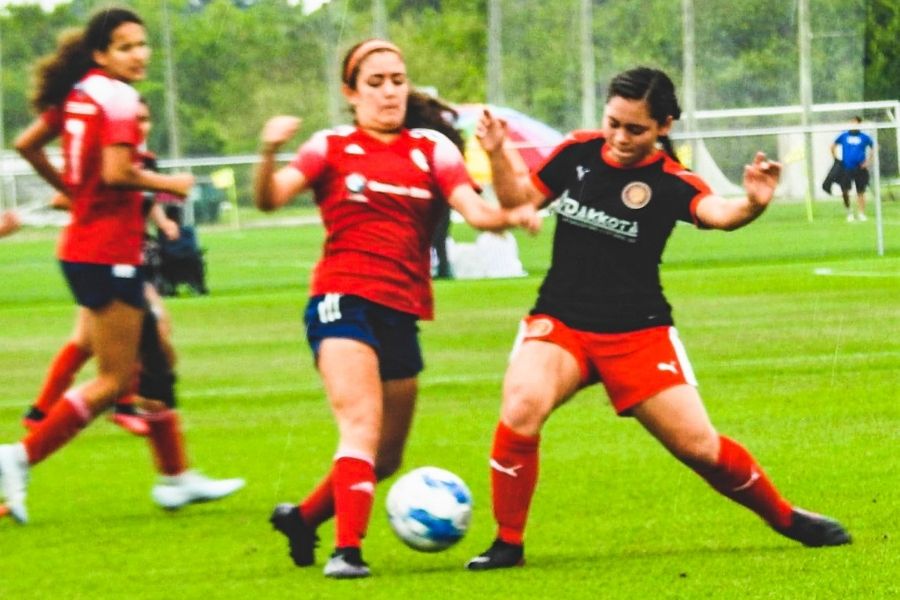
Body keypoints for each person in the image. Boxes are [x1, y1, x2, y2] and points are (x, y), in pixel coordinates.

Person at [465, 66, 851, 571]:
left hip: (638, 333)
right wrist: (496, 152)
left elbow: (718, 213)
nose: (620, 137)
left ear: (663, 127)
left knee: (700, 448)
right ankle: (507, 544)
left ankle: (784, 517)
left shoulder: (669, 181)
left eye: (635, 129)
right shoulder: (577, 153)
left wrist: (752, 205)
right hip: (561, 322)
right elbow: (517, 201)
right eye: (613, 123)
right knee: (521, 405)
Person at [254, 39, 540, 579]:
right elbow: (271, 197)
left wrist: (513, 216)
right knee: (360, 424)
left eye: (397, 80)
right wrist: (268, 153)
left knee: (386, 458)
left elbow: (477, 213)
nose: (389, 92)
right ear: (351, 92)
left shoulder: (432, 148)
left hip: (401, 309)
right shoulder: (330, 146)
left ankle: (303, 520)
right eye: (376, 82)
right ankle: (347, 552)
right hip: (341, 300)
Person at [1, 7, 244, 525]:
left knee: (156, 359)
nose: (140, 54)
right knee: (113, 380)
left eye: (142, 44)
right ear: (101, 54)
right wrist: (169, 184)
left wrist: (71, 189)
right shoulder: (118, 98)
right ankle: (17, 458)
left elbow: (27, 145)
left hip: (94, 249)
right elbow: (116, 172)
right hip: (105, 252)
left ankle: (176, 478)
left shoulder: (81, 94)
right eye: (126, 47)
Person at [22, 98, 179, 437]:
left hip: (123, 256)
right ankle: (124, 406)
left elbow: (142, 200)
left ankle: (40, 412)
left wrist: (162, 221)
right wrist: (86, 206)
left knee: (85, 341)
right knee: (155, 331)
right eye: (137, 118)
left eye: (147, 118)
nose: (143, 124)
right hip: (103, 255)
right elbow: (65, 198)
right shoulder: (113, 158)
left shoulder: (143, 161)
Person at [831, 116, 874, 222]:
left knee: (861, 191)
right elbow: (833, 146)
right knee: (845, 190)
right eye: (852, 122)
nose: (854, 124)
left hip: (860, 168)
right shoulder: (844, 135)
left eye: (856, 122)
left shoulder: (864, 137)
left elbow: (874, 147)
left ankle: (861, 213)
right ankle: (849, 212)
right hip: (847, 168)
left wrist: (868, 161)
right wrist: (836, 159)